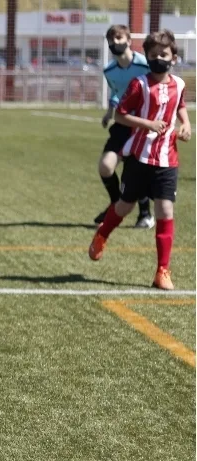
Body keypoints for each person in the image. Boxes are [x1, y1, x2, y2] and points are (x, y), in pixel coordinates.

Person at [88, 29, 191, 291]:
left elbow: (180, 105)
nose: (159, 59)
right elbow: (121, 115)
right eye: (154, 55)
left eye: (164, 54)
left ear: (174, 58)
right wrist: (147, 124)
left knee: (165, 211)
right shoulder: (140, 84)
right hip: (139, 156)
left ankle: (162, 271)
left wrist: (186, 124)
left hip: (168, 159)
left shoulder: (179, 84)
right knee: (124, 206)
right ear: (147, 57)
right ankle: (102, 234)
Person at [97, 24, 153, 228]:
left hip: (143, 125)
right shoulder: (109, 70)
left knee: (136, 170)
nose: (115, 43)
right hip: (122, 123)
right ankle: (116, 204)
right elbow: (117, 93)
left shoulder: (146, 65)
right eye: (111, 40)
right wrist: (109, 113)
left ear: (129, 41)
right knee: (105, 167)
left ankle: (145, 214)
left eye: (119, 39)